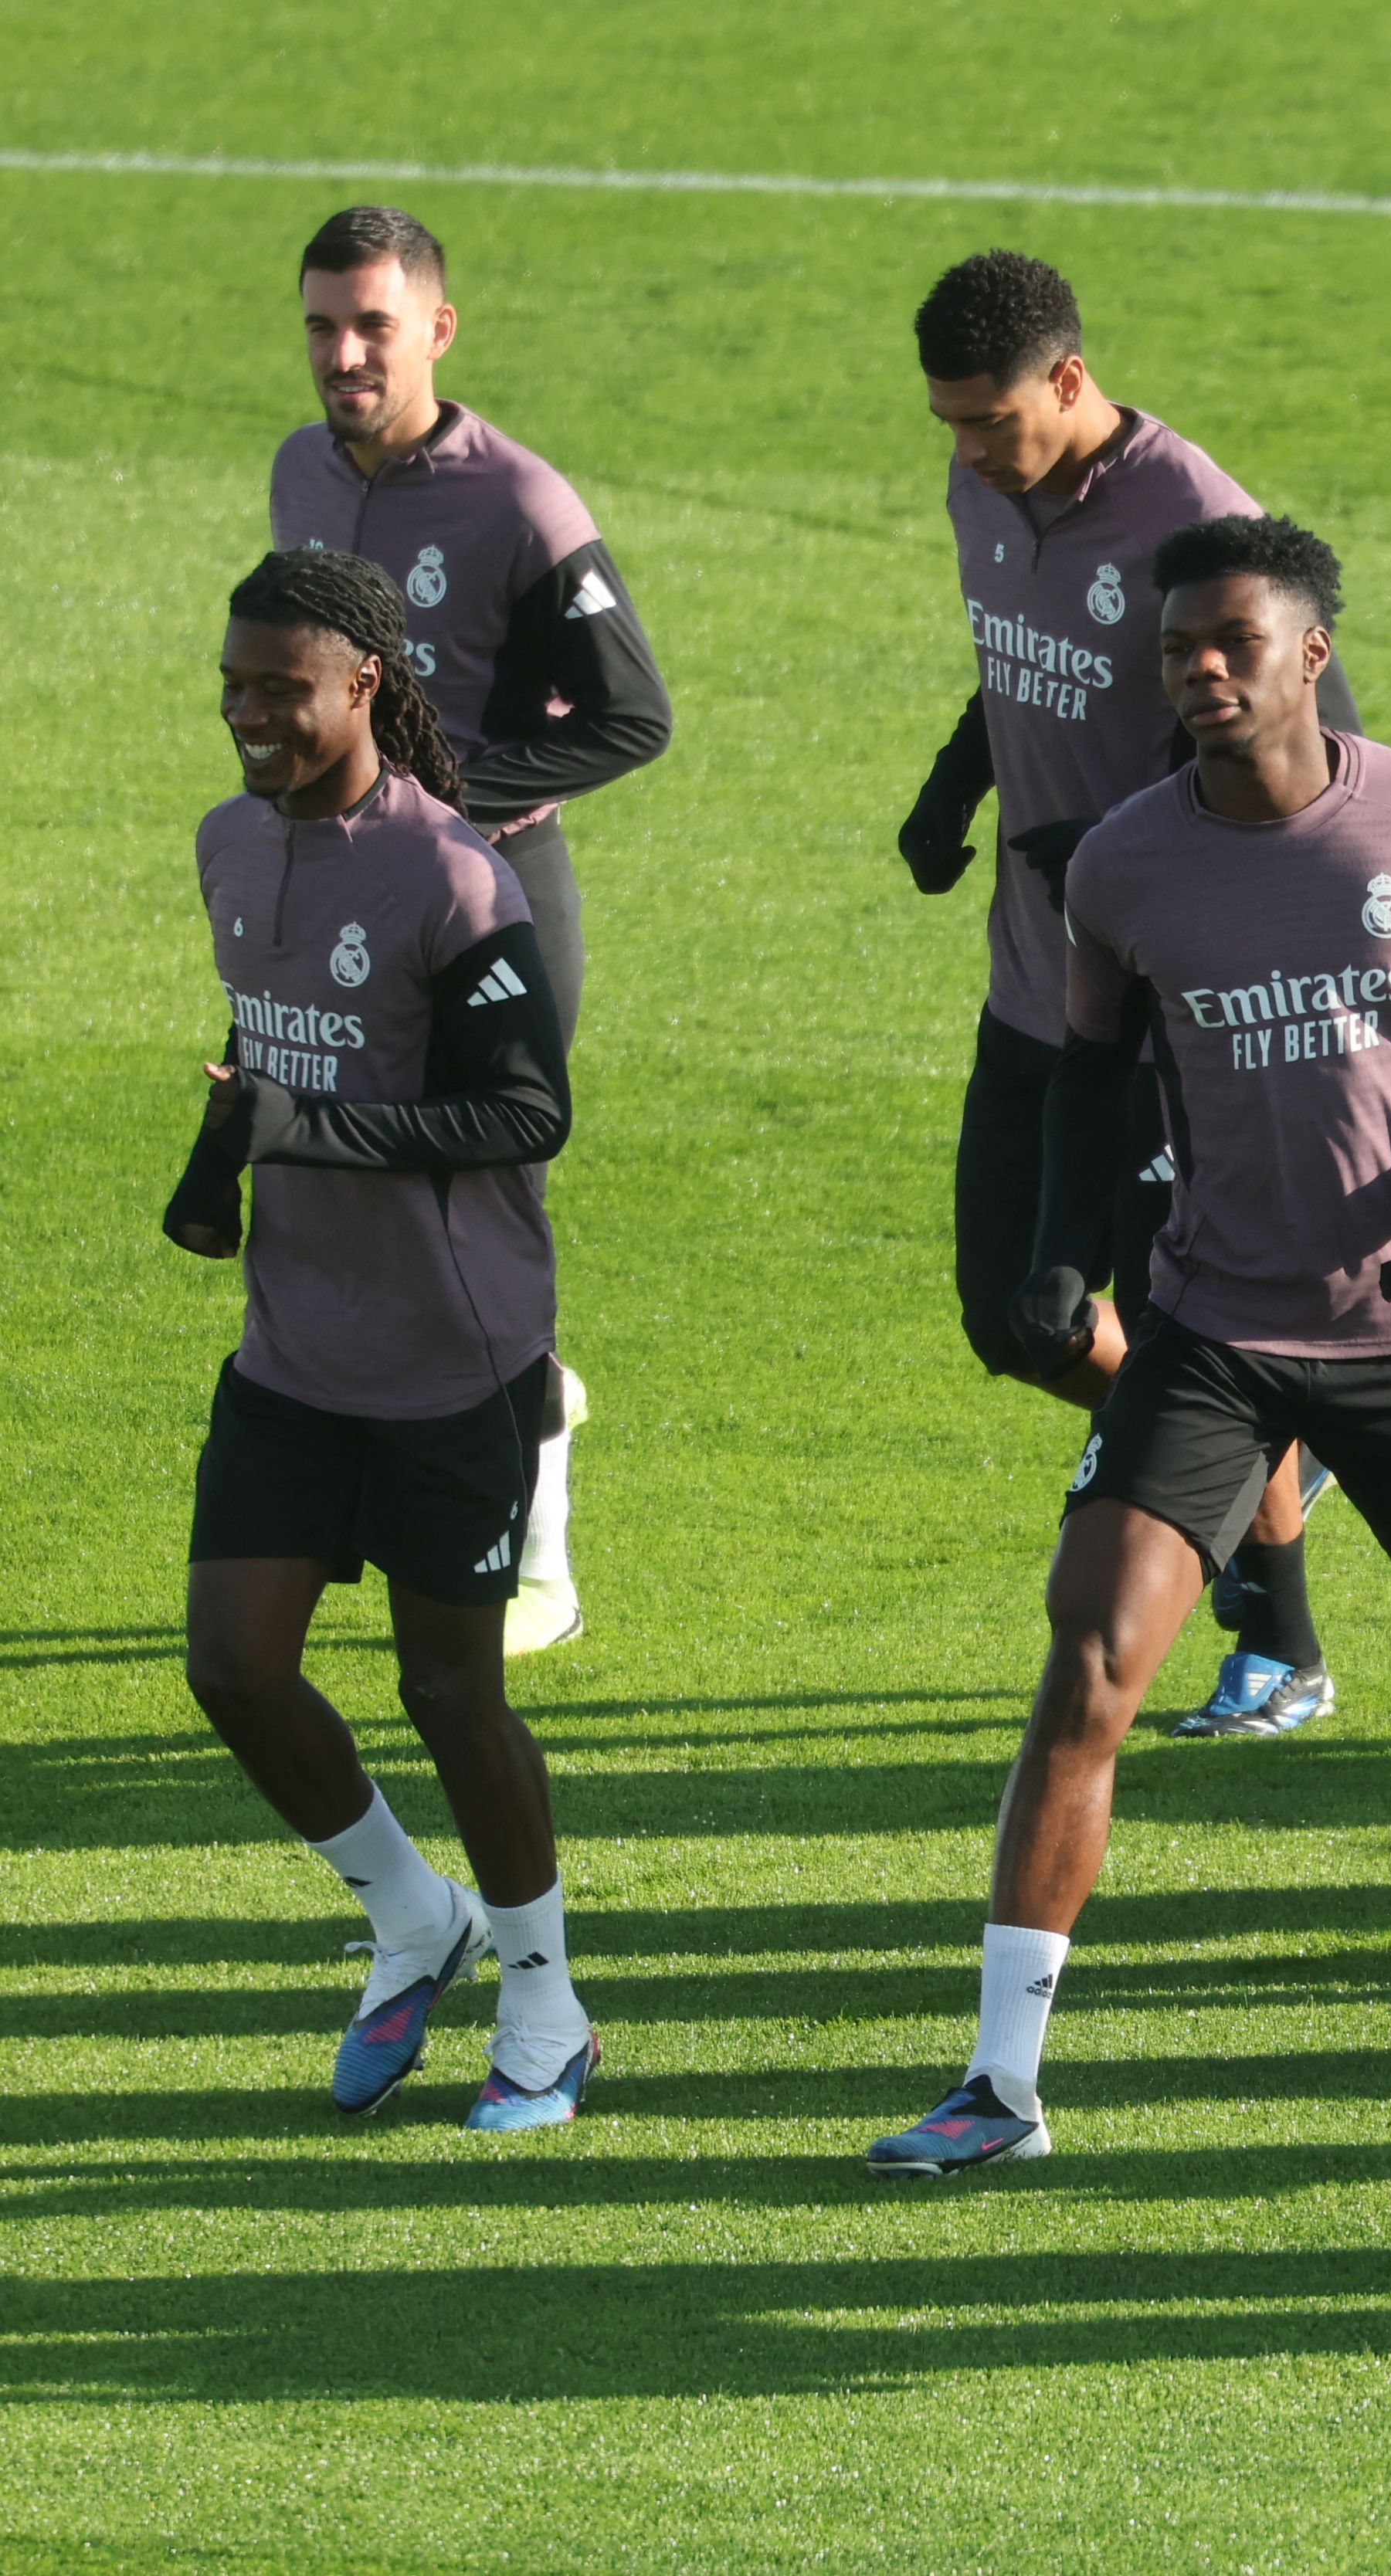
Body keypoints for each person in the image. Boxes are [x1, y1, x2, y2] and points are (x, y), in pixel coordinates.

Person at [863, 517, 1391, 2178]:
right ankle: (1002, 2083)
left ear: (1312, 653)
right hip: (1213, 1331)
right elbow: (1090, 1076)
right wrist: (1061, 1257)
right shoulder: (1126, 865)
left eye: (1235, 642)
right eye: (1177, 653)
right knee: (1087, 1667)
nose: (1203, 672)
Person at [172, 547, 596, 2131]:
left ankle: (547, 2005)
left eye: (282, 687)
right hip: (295, 1346)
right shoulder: (229, 842)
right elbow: (261, 1034)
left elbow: (526, 1107)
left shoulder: (449, 877)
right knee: (232, 1663)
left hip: (449, 1358)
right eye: (235, 685)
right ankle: (416, 1916)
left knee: (451, 1696)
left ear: (362, 681)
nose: (252, 715)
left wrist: (310, 1127)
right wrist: (222, 1166)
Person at [904, 249, 1349, 1737]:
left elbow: (1313, 734)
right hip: (1031, 991)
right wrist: (950, 786)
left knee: (1178, 1335)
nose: (970, 453)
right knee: (1010, 1316)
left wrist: (1118, 834)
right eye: (951, 426)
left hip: (1172, 1017)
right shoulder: (986, 489)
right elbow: (1015, 667)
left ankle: (1277, 1643)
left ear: (1070, 381)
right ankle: (1265, 1448)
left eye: (992, 422)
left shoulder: (1196, 520)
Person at [274, 204, 672, 1659]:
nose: (345, 353)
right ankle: (391, 1489)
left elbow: (634, 715)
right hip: (334, 906)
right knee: (354, 1209)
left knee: (480, 1217)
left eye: (374, 324)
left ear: (437, 328)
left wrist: (443, 799)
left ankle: (539, 1555)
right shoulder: (297, 473)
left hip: (493, 912)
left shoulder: (519, 503)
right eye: (323, 324)